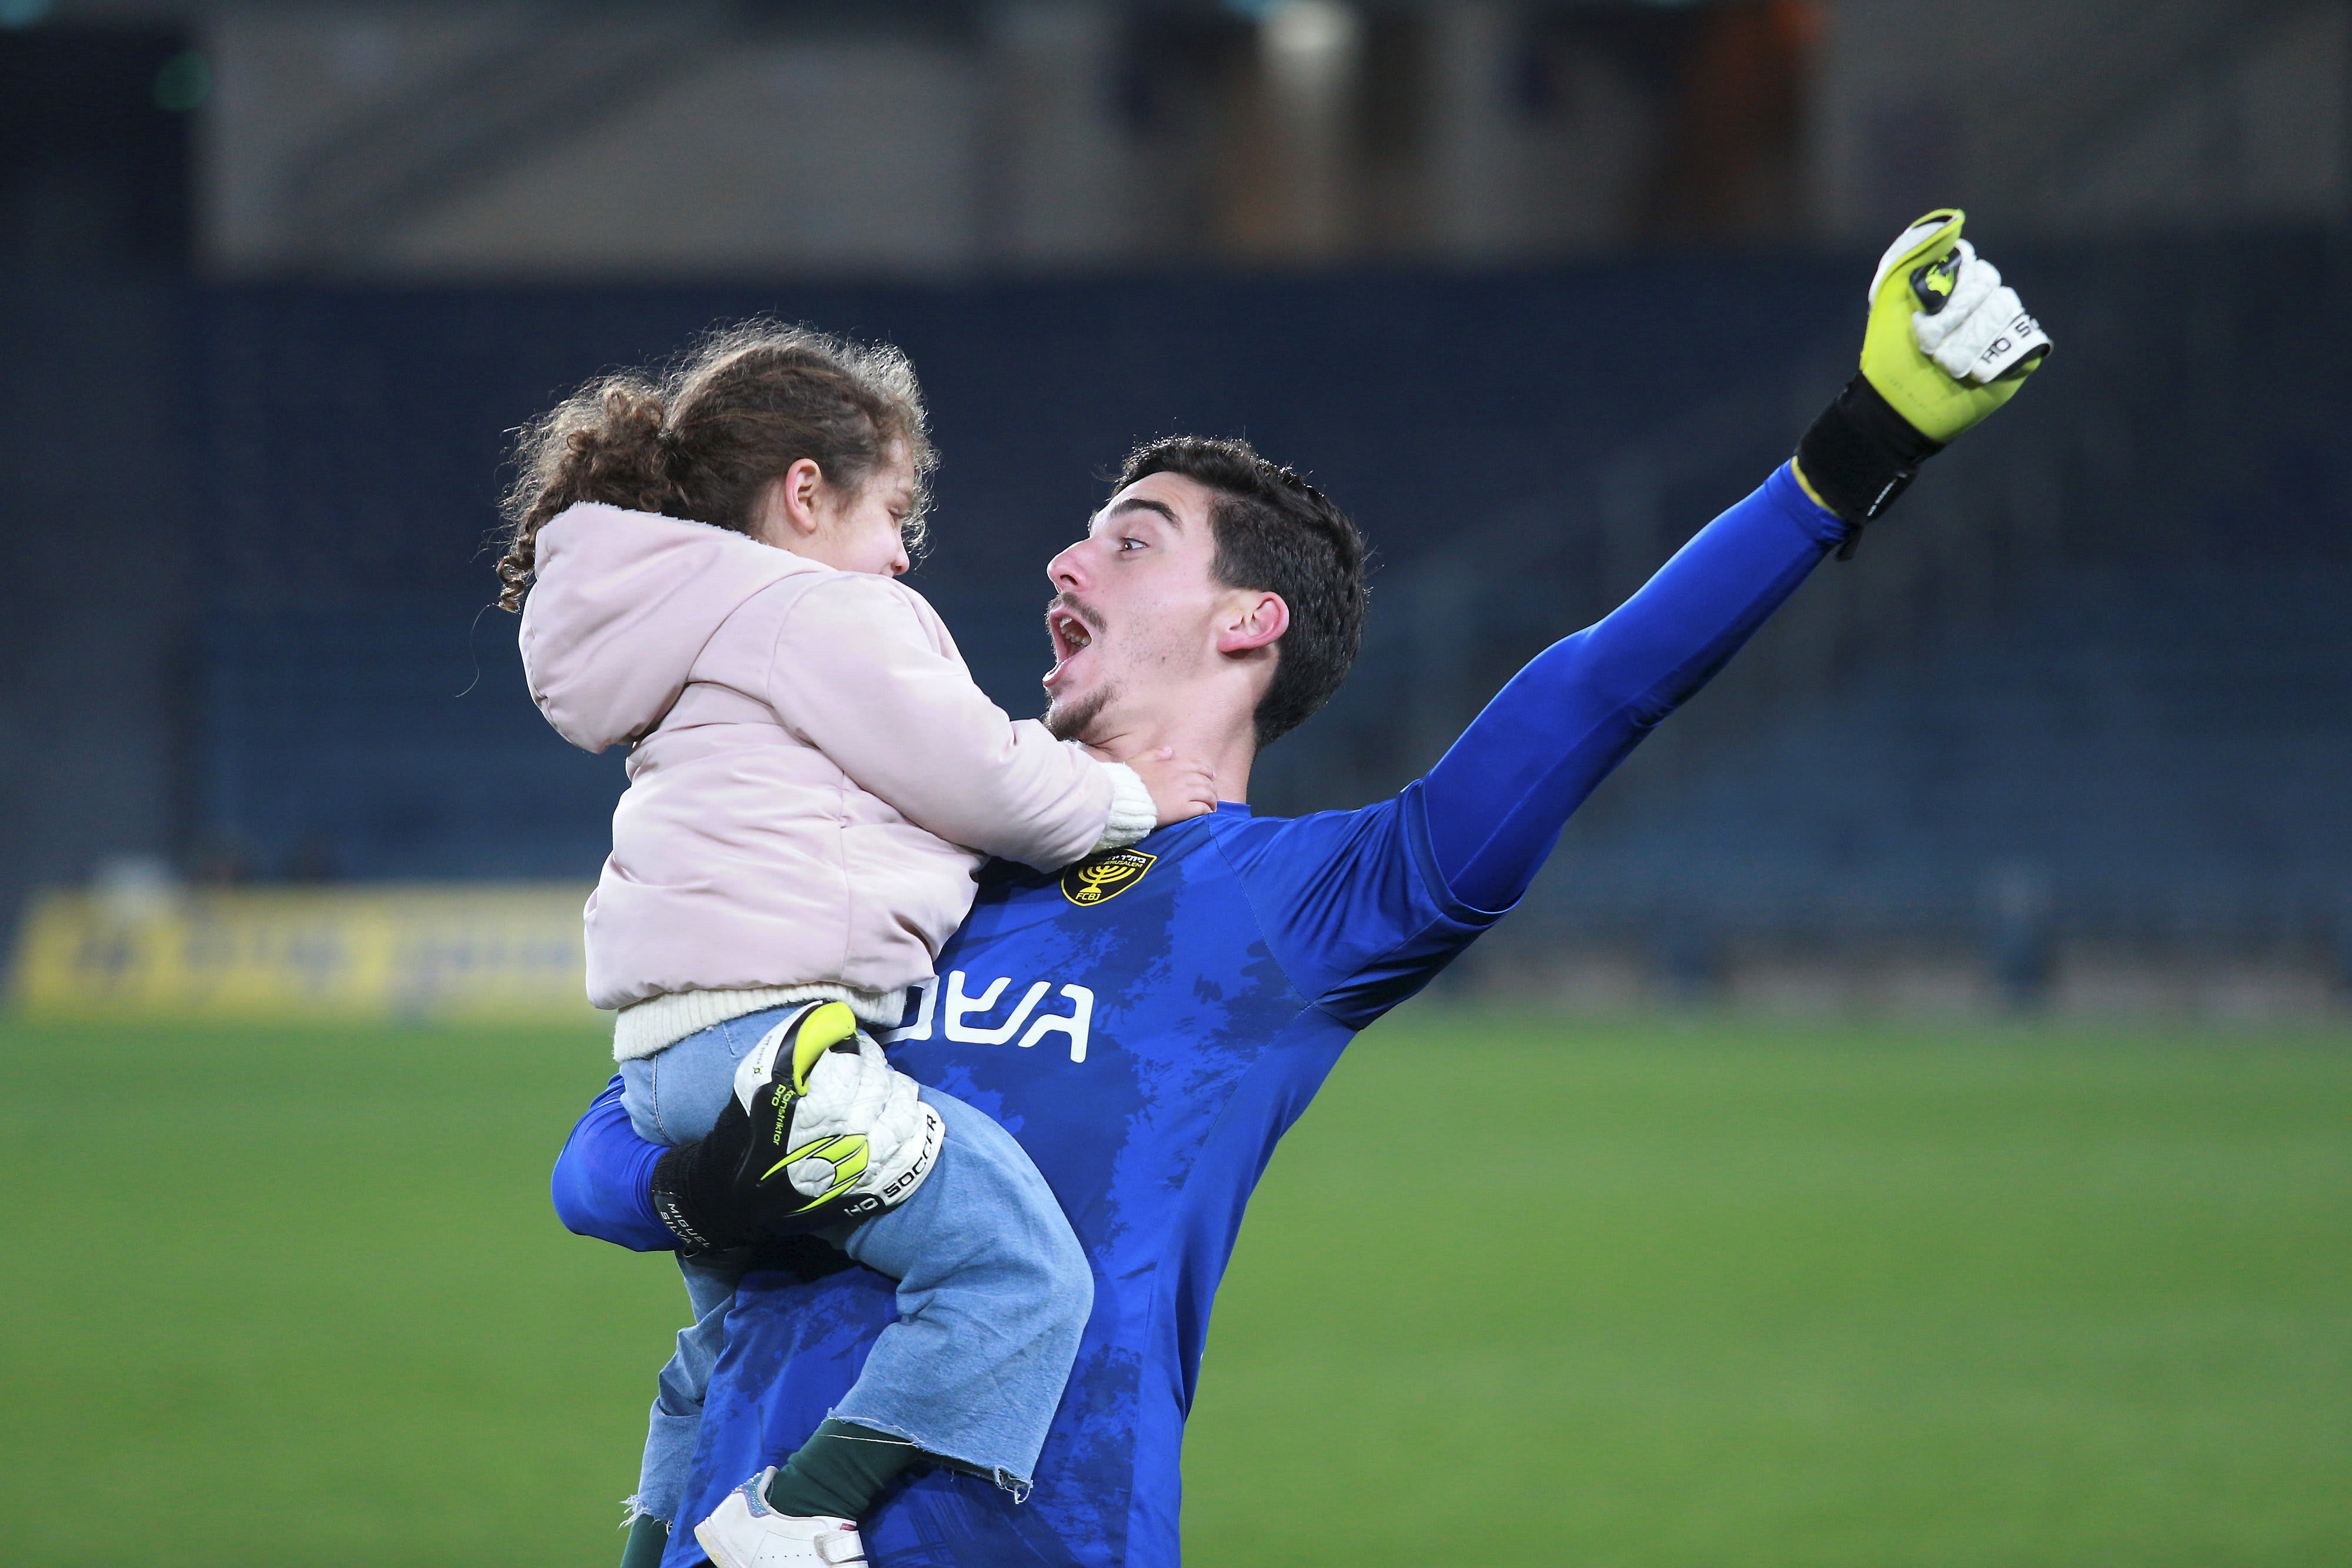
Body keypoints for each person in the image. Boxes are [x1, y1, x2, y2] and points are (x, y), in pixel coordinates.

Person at [551, 211, 2049, 1568]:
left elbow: (1597, 691)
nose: (1067, 556)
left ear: (1249, 623)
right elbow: (596, 1157)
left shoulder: (1305, 904)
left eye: (1131, 539)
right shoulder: (906, 856)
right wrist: (694, 1184)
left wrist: (1854, 452)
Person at [496, 322, 1220, 1568]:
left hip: (669, 1055)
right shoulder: (820, 611)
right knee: (1018, 1275)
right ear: (805, 492)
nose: (898, 550)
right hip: (783, 1040)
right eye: (895, 510)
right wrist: (1136, 800)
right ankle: (792, 1512)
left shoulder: (679, 627)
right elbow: (983, 780)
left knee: (719, 1353)